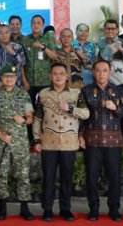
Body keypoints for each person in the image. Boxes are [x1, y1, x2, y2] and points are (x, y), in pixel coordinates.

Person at [33, 63, 89, 222]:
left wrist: (70, 108)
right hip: (49, 143)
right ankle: (47, 209)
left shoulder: (76, 93)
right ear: (50, 76)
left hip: (69, 144)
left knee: (66, 178)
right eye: (55, 74)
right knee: (48, 178)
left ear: (67, 76)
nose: (58, 76)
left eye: (61, 74)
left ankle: (65, 209)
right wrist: (36, 139)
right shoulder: (43, 94)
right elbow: (37, 118)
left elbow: (86, 114)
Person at [79, 60, 123, 222]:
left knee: (114, 177)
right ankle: (93, 209)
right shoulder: (86, 91)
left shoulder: (119, 90)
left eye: (105, 70)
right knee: (92, 177)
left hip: (114, 142)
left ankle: (114, 209)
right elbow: (81, 117)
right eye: (98, 70)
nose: (101, 74)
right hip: (92, 142)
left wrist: (116, 108)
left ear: (110, 72)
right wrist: (80, 135)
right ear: (93, 72)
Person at [0, 65, 35, 221]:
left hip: (19, 140)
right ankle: (2, 206)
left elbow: (30, 118)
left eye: (12, 76)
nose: (9, 79)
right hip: (0, 140)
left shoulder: (23, 94)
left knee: (22, 173)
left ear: (16, 78)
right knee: (1, 173)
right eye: (6, 76)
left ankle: (24, 207)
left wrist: (24, 119)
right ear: (1, 78)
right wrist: (1, 135)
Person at [22, 14, 58, 106]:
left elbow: (54, 57)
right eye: (33, 23)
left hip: (45, 80)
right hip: (29, 81)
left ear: (43, 25)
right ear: (30, 25)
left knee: (46, 107)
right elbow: (21, 62)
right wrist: (24, 80)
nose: (36, 25)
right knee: (29, 108)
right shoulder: (25, 40)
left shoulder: (48, 38)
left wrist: (43, 47)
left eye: (38, 23)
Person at [0, 24, 27, 92]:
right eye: (1, 33)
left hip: (15, 85)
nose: (4, 35)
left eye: (6, 32)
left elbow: (22, 63)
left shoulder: (17, 47)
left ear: (10, 33)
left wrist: (13, 53)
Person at [97, 19, 123, 86]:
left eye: (113, 29)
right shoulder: (100, 43)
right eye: (108, 28)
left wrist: (121, 49)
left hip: (118, 81)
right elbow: (98, 60)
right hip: (102, 80)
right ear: (104, 30)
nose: (110, 31)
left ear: (117, 30)